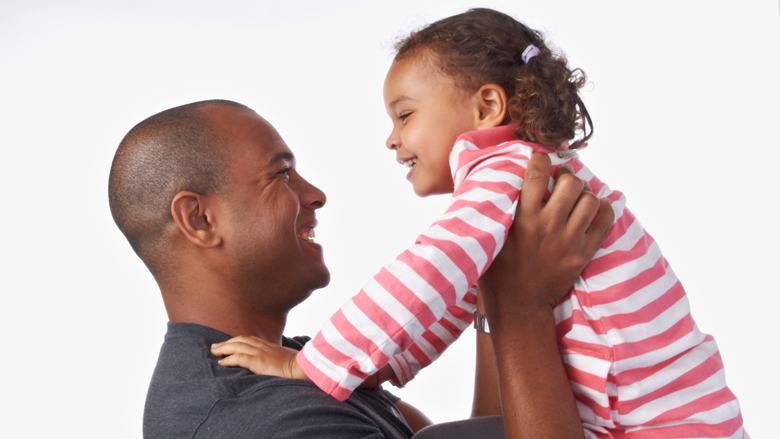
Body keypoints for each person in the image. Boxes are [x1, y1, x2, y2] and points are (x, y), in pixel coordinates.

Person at [224, 8, 746, 438]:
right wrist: (379, 367)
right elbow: (457, 300)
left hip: (668, 425)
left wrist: (312, 364)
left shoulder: (510, 172)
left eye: (405, 115)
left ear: (488, 106)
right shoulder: (524, 178)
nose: (392, 139)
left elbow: (428, 272)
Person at [109, 99, 612, 438]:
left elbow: (489, 431)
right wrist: (524, 307)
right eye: (281, 175)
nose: (315, 194)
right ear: (199, 219)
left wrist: (493, 283)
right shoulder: (263, 419)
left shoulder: (303, 371)